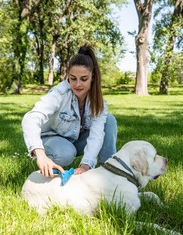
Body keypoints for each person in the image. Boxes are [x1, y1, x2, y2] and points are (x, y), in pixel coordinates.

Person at [22, 44, 117, 177]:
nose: (77, 84)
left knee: (109, 121)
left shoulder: (97, 101)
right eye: (73, 78)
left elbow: (96, 135)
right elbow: (30, 118)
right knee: (65, 153)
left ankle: (108, 172)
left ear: (93, 77)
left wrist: (86, 165)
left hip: (74, 140)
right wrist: (40, 154)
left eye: (84, 79)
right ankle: (47, 160)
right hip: (52, 139)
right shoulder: (59, 94)